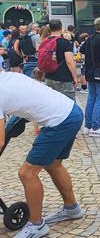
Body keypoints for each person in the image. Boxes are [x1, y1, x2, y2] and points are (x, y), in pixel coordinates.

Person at [0, 71, 85, 238]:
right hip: (71, 112)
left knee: (27, 173)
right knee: (53, 164)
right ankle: (71, 208)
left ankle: (37, 225)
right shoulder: (7, 76)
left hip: (60, 121)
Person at [42, 20, 78, 101]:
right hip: (63, 78)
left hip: (49, 77)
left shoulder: (45, 41)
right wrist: (75, 76)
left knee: (53, 104)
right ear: (61, 28)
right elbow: (69, 61)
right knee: (68, 104)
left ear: (50, 29)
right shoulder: (65, 42)